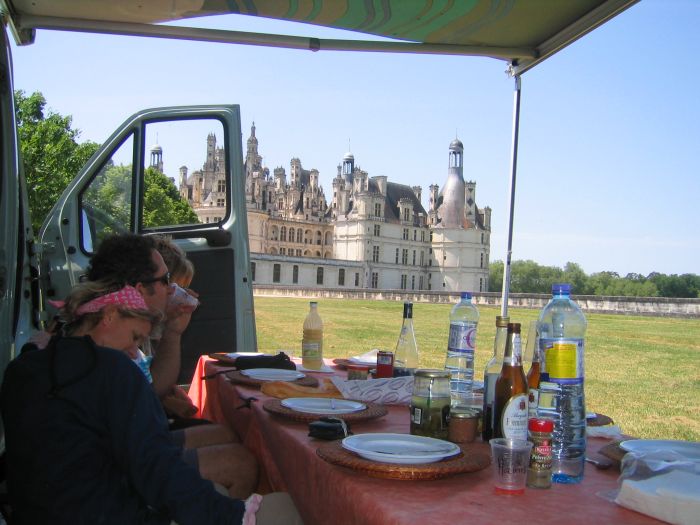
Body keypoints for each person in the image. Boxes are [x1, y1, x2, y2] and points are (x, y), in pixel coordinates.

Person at [1, 280, 302, 524]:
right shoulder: (111, 370)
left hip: (40, 511)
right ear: (108, 317)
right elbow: (155, 468)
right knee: (284, 508)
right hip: (106, 512)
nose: (134, 352)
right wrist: (233, 515)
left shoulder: (24, 368)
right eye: (134, 338)